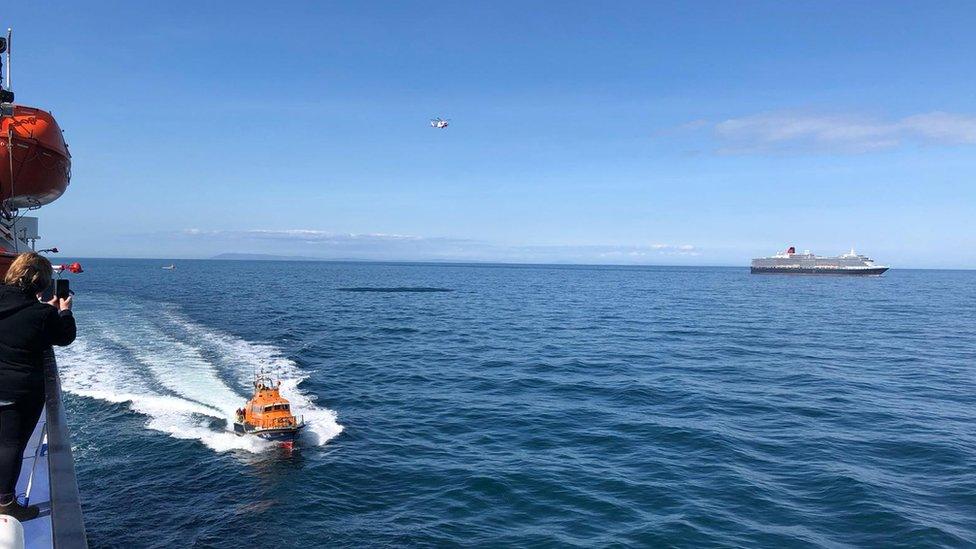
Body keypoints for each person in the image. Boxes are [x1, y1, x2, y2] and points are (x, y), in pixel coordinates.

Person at [0, 252, 76, 521]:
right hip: (17, 390)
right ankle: (6, 503)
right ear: (40, 282)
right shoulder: (41, 313)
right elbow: (65, 337)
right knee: (10, 444)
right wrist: (63, 311)